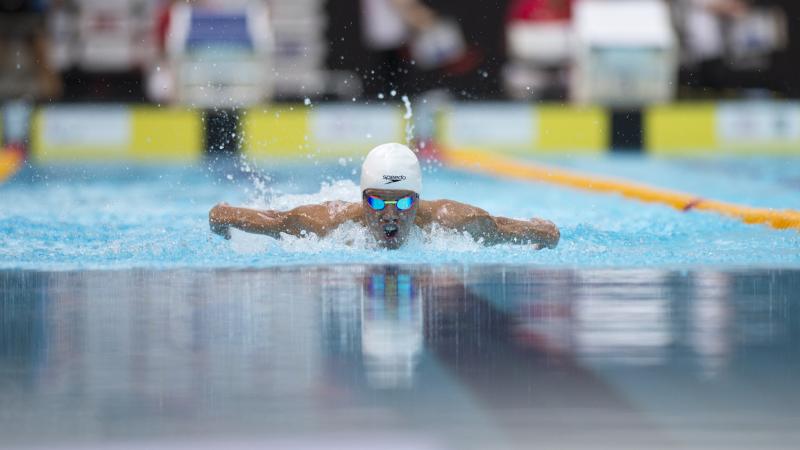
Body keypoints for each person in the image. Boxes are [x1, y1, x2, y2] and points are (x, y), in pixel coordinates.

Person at [208, 143, 560, 250]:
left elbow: (503, 226)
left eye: (404, 202)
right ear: (362, 200)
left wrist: (544, 231)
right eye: (377, 202)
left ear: (419, 201)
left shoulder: (456, 221)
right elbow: (272, 220)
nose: (390, 216)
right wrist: (221, 217)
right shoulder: (324, 224)